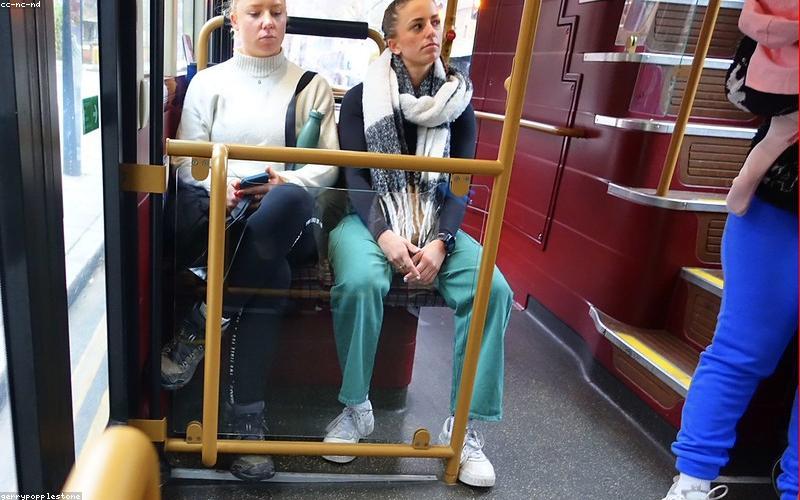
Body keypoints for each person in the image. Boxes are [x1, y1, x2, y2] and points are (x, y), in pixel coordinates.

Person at [321, 0, 513, 488]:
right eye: (418, 25)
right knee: (361, 281)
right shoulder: (361, 99)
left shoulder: (458, 102)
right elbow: (356, 178)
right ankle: (355, 407)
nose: (432, 32)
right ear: (393, 42)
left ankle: (463, 428)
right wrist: (385, 235)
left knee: (493, 290)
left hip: (434, 222)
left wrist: (442, 242)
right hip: (369, 220)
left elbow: (461, 185)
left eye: (435, 23)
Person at [161, 0, 339, 482]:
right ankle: (246, 422)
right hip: (225, 215)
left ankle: (201, 325)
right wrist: (221, 187)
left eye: (276, 13)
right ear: (233, 19)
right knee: (272, 273)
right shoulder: (208, 83)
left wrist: (283, 182)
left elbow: (327, 166)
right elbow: (187, 162)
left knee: (289, 200)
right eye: (256, 12)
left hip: (288, 217)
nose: (267, 23)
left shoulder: (312, 86)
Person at [660, 2, 798, 496]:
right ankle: (693, 480)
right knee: (740, 350)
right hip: (775, 205)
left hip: (771, 196)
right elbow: (740, 88)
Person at [724, 0, 798, 215]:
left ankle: (744, 183)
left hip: (768, 80)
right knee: (778, 137)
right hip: (792, 82)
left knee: (775, 138)